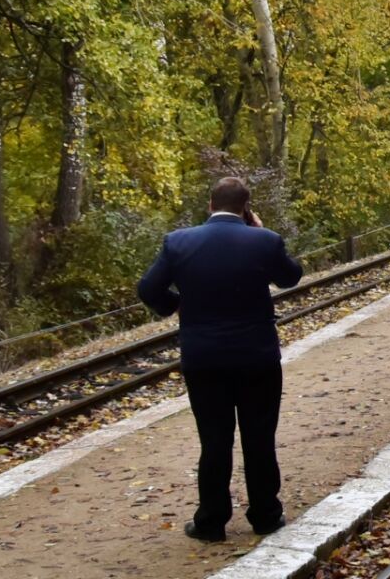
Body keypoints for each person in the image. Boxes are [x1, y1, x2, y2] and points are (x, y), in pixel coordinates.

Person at [137, 176, 302, 543]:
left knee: (214, 441)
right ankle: (265, 515)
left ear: (210, 204)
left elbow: (148, 289)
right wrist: (262, 232)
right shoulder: (263, 240)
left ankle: (211, 522)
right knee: (260, 437)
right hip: (256, 356)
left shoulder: (179, 242)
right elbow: (291, 277)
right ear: (246, 209)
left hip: (203, 358)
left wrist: (176, 306)